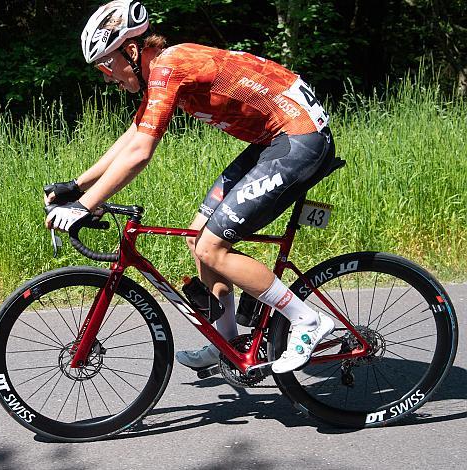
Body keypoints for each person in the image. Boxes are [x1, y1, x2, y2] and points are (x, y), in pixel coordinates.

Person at [45, 0, 335, 374]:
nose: (106, 76)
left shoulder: (169, 66)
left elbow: (141, 153)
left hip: (299, 140)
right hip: (274, 141)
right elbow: (134, 135)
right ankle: (227, 342)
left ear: (131, 51)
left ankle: (308, 321)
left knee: (212, 248)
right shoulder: (163, 72)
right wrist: (77, 186)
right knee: (196, 237)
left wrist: (85, 206)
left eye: (106, 64)